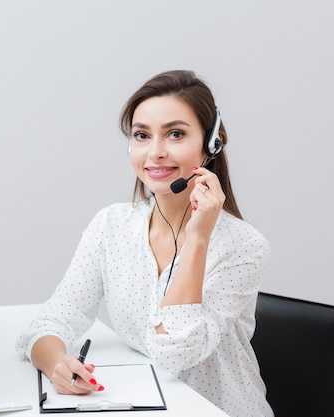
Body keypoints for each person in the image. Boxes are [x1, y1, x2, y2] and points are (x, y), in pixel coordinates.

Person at [16, 70, 273, 417]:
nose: (155, 152)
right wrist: (56, 364)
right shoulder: (112, 226)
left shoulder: (243, 246)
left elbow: (175, 353)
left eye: (176, 134)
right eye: (142, 135)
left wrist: (197, 238)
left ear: (212, 143)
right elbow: (57, 316)